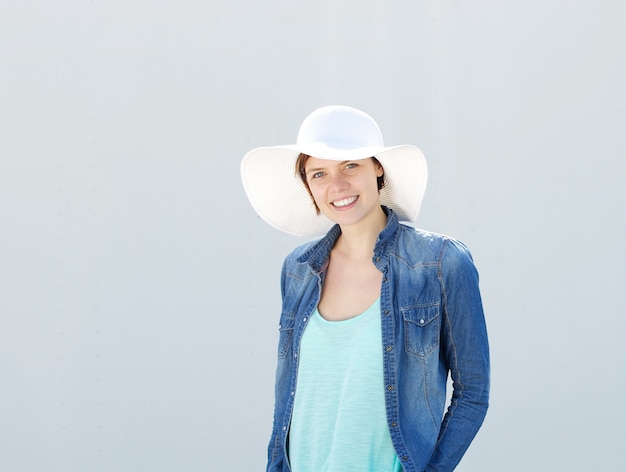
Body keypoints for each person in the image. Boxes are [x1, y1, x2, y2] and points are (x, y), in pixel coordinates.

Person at [240, 105, 490, 472]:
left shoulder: (440, 263)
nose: (336, 186)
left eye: (350, 165)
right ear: (308, 185)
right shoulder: (298, 270)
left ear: (378, 167)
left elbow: (473, 394)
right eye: (319, 173)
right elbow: (289, 399)